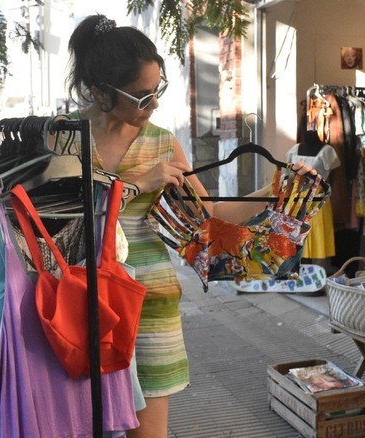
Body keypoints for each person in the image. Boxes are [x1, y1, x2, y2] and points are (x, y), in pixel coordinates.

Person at [66, 14, 317, 437]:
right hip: (79, 303)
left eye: (158, 90)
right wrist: (137, 183)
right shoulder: (64, 139)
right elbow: (52, 218)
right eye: (142, 96)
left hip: (150, 304)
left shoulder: (162, 142)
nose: (154, 104)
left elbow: (211, 217)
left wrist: (278, 189)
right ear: (103, 92)